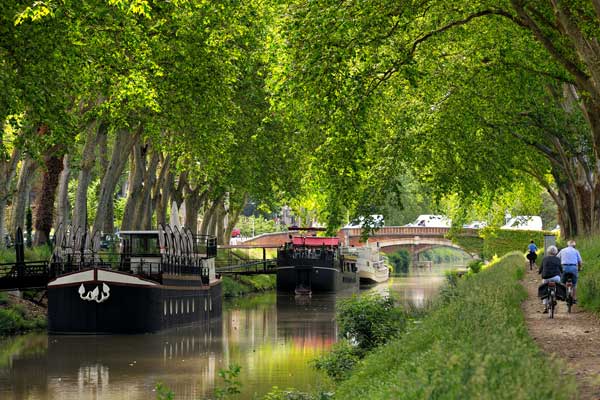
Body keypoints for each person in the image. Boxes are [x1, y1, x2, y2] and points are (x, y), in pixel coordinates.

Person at [538, 245, 562, 313]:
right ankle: (555, 296)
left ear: (548, 252)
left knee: (545, 291)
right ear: (556, 252)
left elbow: (541, 268)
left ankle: (545, 307)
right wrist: (561, 272)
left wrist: (539, 272)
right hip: (556, 277)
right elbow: (560, 268)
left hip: (546, 277)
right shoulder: (558, 259)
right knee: (557, 285)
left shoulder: (545, 259)